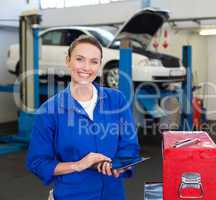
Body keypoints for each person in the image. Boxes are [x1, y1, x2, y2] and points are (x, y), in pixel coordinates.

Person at [26, 35, 140, 200]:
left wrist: (121, 165)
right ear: (68, 61)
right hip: (71, 195)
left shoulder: (117, 100)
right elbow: (38, 162)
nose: (86, 67)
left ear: (100, 65)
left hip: (113, 194)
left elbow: (130, 146)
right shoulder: (49, 111)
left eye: (94, 61)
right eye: (80, 59)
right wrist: (78, 165)